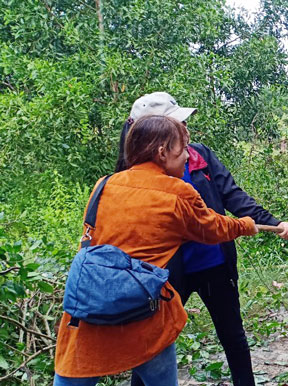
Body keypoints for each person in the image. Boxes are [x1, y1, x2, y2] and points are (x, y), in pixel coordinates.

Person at [54, 115, 259, 385]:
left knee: (74, 375)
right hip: (144, 313)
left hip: (90, 309)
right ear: (162, 152)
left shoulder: (103, 185)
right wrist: (245, 225)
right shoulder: (177, 193)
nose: (187, 155)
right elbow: (213, 229)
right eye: (182, 148)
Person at [117, 92, 288, 386]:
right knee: (154, 343)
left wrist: (274, 224)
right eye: (178, 123)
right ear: (155, 138)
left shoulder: (199, 155)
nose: (186, 129)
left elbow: (232, 194)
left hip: (213, 262)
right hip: (166, 271)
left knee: (233, 336)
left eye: (184, 122)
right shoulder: (136, 175)